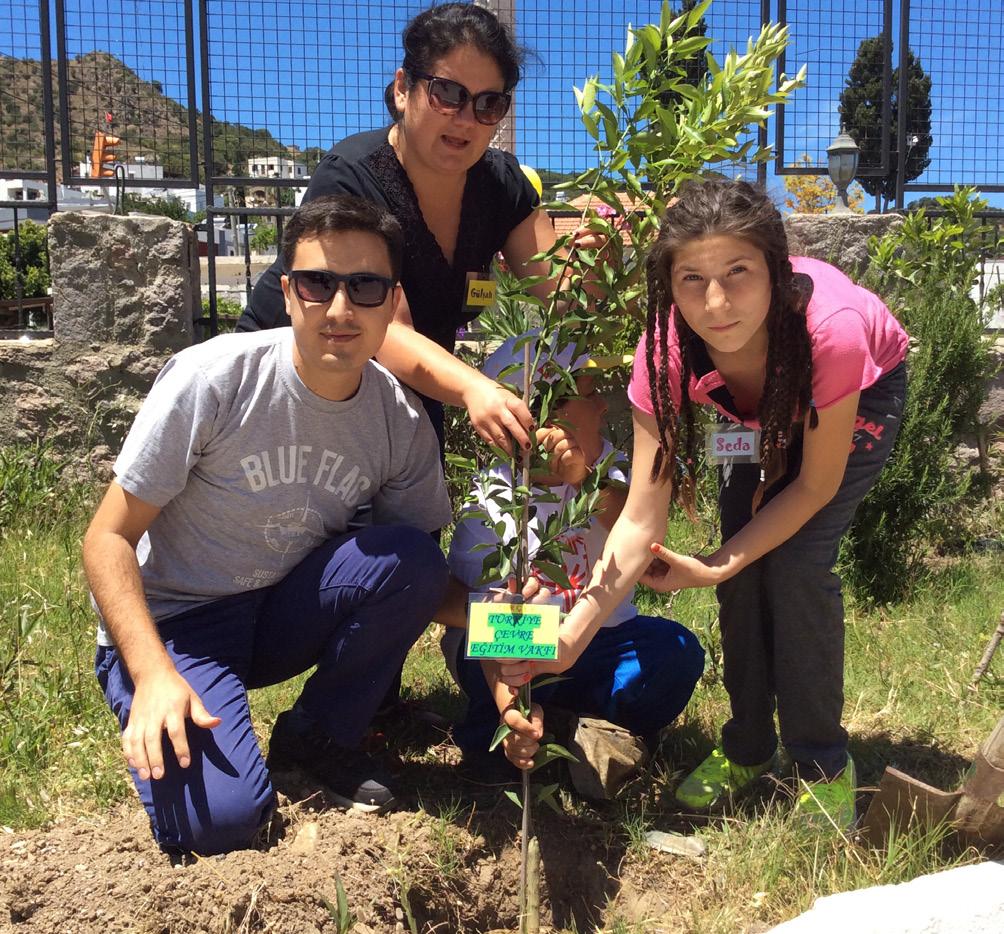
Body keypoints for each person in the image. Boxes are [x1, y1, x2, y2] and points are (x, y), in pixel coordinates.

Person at [496, 179, 909, 828]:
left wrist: (718, 560)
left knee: (795, 566)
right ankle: (749, 747)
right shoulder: (664, 350)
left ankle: (822, 765)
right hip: (749, 410)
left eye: (738, 273)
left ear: (776, 268)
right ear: (669, 281)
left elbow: (813, 486)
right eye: (692, 279)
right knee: (744, 572)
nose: (715, 303)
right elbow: (639, 517)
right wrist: (571, 635)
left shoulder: (834, 330)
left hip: (853, 399)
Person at [82, 195, 453, 855]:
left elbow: (419, 580)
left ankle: (317, 738)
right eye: (318, 284)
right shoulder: (213, 380)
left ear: (392, 302)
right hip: (177, 626)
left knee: (413, 557)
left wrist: (526, 634)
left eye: (366, 287)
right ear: (287, 292)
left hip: (282, 609)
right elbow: (105, 538)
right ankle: (161, 697)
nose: (340, 310)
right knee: (223, 826)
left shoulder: (398, 420)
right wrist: (153, 672)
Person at [238, 2, 599, 455]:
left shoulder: (502, 186)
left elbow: (565, 297)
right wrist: (474, 388)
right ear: (403, 88)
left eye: (489, 103)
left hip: (405, 389)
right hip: (292, 382)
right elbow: (382, 329)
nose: (466, 119)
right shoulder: (352, 178)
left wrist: (598, 269)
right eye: (447, 93)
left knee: (411, 522)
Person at [438, 335, 705, 776]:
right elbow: (489, 622)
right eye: (590, 394)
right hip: (517, 654)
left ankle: (571, 725)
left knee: (675, 653)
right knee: (473, 647)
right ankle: (523, 725)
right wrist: (510, 699)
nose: (603, 407)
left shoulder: (607, 471)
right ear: (546, 414)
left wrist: (586, 482)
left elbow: (644, 544)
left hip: (603, 640)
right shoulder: (494, 498)